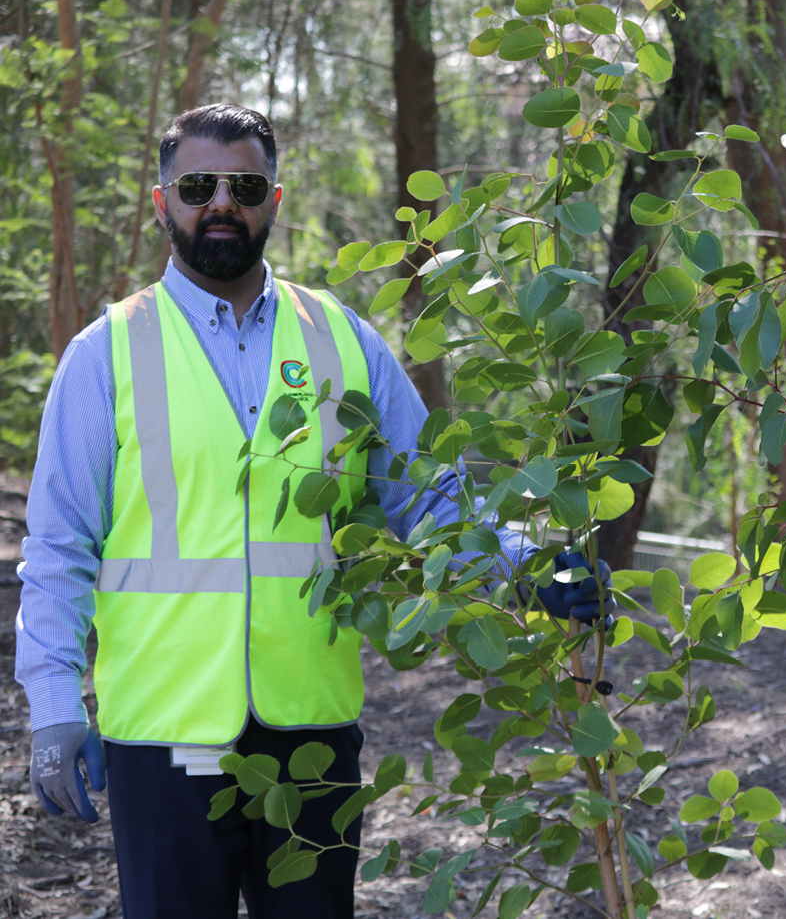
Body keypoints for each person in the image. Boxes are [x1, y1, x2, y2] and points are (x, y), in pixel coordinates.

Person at [15, 104, 611, 918]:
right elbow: (59, 549)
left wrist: (528, 564)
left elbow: (428, 495)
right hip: (163, 735)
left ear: (275, 200)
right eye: (197, 185)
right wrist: (52, 709)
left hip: (311, 734)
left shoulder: (341, 340)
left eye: (245, 185)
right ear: (162, 203)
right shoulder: (106, 354)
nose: (221, 202)